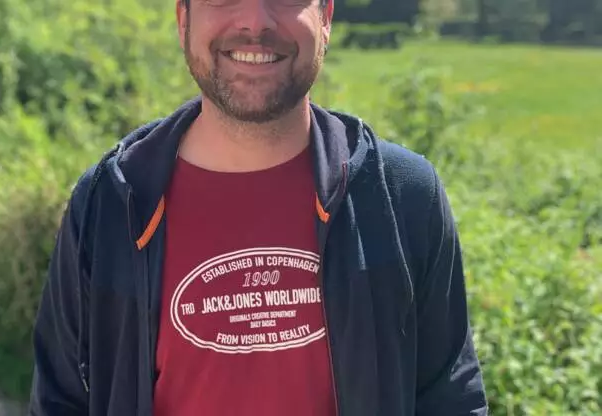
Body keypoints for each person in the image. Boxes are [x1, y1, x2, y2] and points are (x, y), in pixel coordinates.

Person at [28, 0, 488, 414]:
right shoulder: (112, 204)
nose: (254, 21)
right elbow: (60, 400)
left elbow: (451, 397)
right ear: (183, 18)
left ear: (326, 17)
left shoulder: (400, 196)